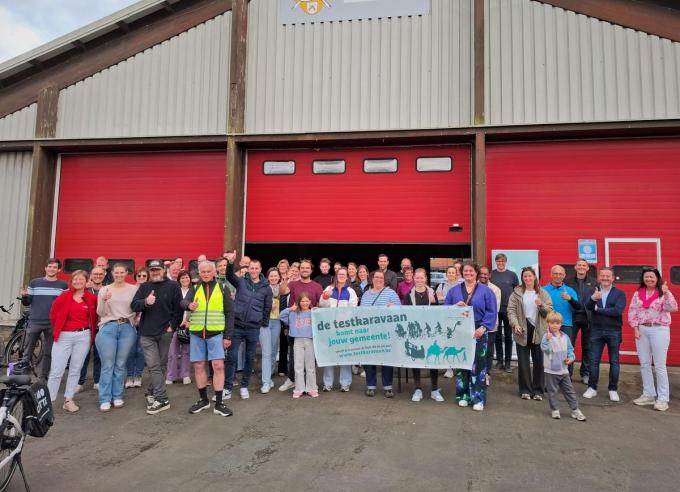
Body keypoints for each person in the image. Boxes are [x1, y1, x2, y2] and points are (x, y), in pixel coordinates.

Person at [131, 259, 183, 415]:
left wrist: (173, 326)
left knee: (161, 365)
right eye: (152, 270)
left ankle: (151, 392)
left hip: (165, 332)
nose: (155, 272)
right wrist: (146, 302)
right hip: (147, 334)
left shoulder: (173, 286)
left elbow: (179, 309)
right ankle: (162, 399)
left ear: (164, 270)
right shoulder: (144, 287)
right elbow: (134, 305)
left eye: (157, 269)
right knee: (154, 366)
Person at [183, 261, 234, 417]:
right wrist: (188, 305)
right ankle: (203, 400)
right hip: (197, 333)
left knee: (218, 366)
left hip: (216, 333)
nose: (205, 274)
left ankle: (219, 403)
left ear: (214, 272)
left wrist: (228, 336)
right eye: (203, 272)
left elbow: (230, 313)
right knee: (199, 366)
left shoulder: (223, 288)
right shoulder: (194, 288)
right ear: (199, 273)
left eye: (208, 271)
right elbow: (183, 302)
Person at [445, 262, 497, 411]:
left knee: (478, 365)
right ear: (461, 273)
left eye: (471, 271)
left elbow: (492, 311)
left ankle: (478, 398)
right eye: (465, 271)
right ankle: (463, 396)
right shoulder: (454, 291)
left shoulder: (486, 291)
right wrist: (455, 307)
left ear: (476, 273)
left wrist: (483, 327)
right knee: (461, 361)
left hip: (478, 330)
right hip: (460, 331)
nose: (468, 273)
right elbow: (445, 309)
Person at [224, 251, 273, 400]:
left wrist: (262, 323)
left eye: (256, 268)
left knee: (249, 358)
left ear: (260, 269)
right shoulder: (241, 281)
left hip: (253, 328)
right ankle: (227, 387)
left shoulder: (266, 288)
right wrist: (230, 263)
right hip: (237, 325)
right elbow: (229, 276)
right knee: (231, 357)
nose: (254, 270)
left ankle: (244, 386)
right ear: (248, 269)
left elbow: (267, 307)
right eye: (251, 268)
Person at [47, 270, 98, 413]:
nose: (77, 281)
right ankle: (48, 401)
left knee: (76, 369)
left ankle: (68, 400)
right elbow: (53, 316)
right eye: (75, 279)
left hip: (83, 336)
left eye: (81, 279)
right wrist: (59, 330)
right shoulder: (63, 297)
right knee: (57, 370)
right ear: (71, 281)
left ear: (86, 281)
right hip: (64, 336)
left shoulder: (91, 298)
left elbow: (96, 316)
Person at [628, 268, 678, 411]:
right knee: (644, 363)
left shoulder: (663, 292)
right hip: (642, 330)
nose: (649, 279)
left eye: (652, 277)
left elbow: (673, 308)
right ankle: (648, 394)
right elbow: (632, 310)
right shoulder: (638, 293)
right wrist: (635, 328)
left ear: (657, 278)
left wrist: (666, 293)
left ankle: (662, 398)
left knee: (659, 365)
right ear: (643, 279)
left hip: (659, 330)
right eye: (646, 277)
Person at [95, 263, 139, 412]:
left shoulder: (134, 289)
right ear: (112, 273)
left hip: (127, 328)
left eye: (122, 272)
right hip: (108, 327)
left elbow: (137, 308)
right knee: (108, 365)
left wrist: (136, 319)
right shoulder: (104, 289)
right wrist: (103, 300)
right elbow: (100, 313)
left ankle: (117, 396)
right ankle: (105, 398)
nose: (119, 275)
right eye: (116, 272)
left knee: (120, 364)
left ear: (127, 273)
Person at [507, 267, 553, 400]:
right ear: (522, 278)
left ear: (534, 277)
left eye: (530, 276)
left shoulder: (543, 293)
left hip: (539, 330)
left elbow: (549, 312)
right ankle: (525, 390)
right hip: (522, 328)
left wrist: (541, 305)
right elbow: (511, 310)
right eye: (525, 276)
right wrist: (515, 324)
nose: (527, 278)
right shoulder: (516, 293)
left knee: (539, 362)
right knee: (523, 362)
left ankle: (538, 391)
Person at [583, 267, 626, 402]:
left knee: (614, 362)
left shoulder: (619, 293)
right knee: (593, 361)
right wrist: (592, 299)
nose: (605, 278)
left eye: (608, 276)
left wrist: (599, 309)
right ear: (599, 277)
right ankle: (592, 388)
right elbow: (587, 307)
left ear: (612, 278)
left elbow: (617, 311)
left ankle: (613, 389)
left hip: (614, 331)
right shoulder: (592, 291)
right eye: (602, 276)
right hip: (596, 330)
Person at [20, 257, 68, 380]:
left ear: (59, 269)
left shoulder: (63, 285)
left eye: (55, 267)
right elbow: (27, 302)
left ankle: (43, 376)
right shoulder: (34, 283)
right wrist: (24, 296)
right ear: (45, 268)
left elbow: (65, 305)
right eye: (50, 266)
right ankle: (24, 375)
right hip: (35, 321)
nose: (52, 269)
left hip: (53, 323)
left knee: (49, 351)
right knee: (28, 349)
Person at [403, 268, 442, 402]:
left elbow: (438, 313)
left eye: (422, 278)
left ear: (426, 279)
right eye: (417, 278)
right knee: (417, 357)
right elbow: (405, 314)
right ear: (414, 278)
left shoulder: (432, 293)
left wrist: (434, 302)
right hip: (415, 332)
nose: (419, 280)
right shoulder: (409, 295)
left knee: (432, 358)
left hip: (430, 332)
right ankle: (417, 389)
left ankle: (434, 389)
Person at [360, 270, 401, 398]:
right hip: (369, 332)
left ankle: (388, 387)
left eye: (381, 278)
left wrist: (393, 307)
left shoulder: (391, 293)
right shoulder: (366, 295)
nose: (379, 279)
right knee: (369, 360)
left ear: (384, 280)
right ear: (372, 279)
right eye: (376, 277)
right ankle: (371, 386)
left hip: (386, 332)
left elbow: (400, 310)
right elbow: (360, 313)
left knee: (387, 359)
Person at [540, 311, 587, 421]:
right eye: (552, 323)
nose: (555, 325)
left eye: (557, 323)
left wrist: (570, 358)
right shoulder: (546, 337)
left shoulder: (565, 337)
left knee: (569, 391)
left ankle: (575, 410)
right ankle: (555, 409)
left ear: (561, 324)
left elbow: (570, 350)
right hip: (551, 370)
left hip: (564, 370)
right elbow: (545, 349)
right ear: (548, 323)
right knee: (552, 391)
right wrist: (548, 340)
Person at [319, 267, 358, 392]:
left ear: (347, 277)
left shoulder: (351, 291)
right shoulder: (328, 289)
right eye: (339, 274)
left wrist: (343, 318)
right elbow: (321, 305)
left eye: (343, 274)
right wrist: (325, 297)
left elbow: (353, 309)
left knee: (345, 355)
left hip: (344, 328)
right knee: (329, 355)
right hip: (329, 328)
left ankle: (345, 383)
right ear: (336, 276)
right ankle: (327, 383)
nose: (341, 276)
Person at [544, 265, 580, 377]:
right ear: (551, 274)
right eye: (555, 273)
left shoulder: (570, 290)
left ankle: (567, 377)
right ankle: (549, 377)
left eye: (560, 274)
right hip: (548, 326)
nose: (558, 276)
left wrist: (570, 299)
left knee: (566, 352)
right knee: (549, 351)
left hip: (566, 325)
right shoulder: (544, 290)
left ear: (564, 276)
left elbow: (578, 307)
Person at [565, 259, 597, 384]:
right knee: (569, 346)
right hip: (572, 316)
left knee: (587, 346)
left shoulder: (594, 282)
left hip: (588, 317)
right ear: (575, 267)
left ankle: (585, 373)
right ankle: (567, 373)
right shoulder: (567, 282)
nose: (581, 267)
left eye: (584, 265)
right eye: (579, 265)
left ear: (588, 268)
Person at [279, 294, 318, 398]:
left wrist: (317, 310)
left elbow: (322, 318)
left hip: (310, 340)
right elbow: (281, 316)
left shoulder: (313, 313)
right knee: (298, 365)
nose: (304, 303)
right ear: (299, 303)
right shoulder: (293, 313)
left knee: (310, 366)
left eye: (306, 301)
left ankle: (311, 388)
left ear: (310, 302)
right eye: (302, 301)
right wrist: (290, 308)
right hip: (297, 341)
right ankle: (299, 388)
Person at [491, 253, 519, 373]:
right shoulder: (491, 274)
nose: (500, 263)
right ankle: (499, 361)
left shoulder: (512, 275)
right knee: (497, 336)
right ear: (495, 262)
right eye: (498, 261)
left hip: (508, 310)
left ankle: (508, 363)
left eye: (502, 261)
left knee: (508, 336)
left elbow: (517, 292)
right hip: (495, 309)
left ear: (505, 262)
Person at [78, 267, 105, 390]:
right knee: (83, 355)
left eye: (100, 274)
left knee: (99, 355)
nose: (98, 276)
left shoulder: (107, 289)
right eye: (95, 274)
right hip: (87, 327)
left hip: (102, 327)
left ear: (104, 275)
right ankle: (80, 382)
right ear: (91, 275)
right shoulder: (85, 289)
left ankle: (97, 380)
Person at [166, 270, 192, 386]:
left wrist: (189, 321)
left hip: (189, 325)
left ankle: (185, 375)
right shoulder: (175, 291)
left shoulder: (194, 291)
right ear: (179, 280)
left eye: (187, 277)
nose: (185, 280)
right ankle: (171, 375)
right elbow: (170, 308)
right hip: (176, 325)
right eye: (182, 278)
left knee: (186, 351)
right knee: (172, 352)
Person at [260, 267, 282, 393]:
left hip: (277, 322)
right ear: (268, 277)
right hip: (265, 322)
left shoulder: (283, 289)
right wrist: (268, 306)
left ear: (279, 277)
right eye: (271, 276)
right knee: (266, 352)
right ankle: (266, 381)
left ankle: (269, 376)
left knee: (273, 351)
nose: (273, 278)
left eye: (275, 276)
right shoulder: (263, 288)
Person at [125, 267, 148, 388]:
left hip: (145, 324)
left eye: (144, 276)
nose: (141, 278)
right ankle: (129, 375)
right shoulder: (130, 289)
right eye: (139, 275)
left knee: (140, 351)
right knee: (130, 351)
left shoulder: (151, 290)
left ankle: (138, 375)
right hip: (130, 323)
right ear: (135, 277)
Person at [479, 266, 501, 386]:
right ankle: (477, 373)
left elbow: (494, 309)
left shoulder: (496, 289)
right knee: (477, 351)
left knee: (488, 351)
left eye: (485, 274)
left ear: (489, 275)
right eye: (481, 273)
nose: (483, 276)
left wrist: (483, 323)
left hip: (490, 325)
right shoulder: (473, 286)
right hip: (476, 326)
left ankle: (486, 373)